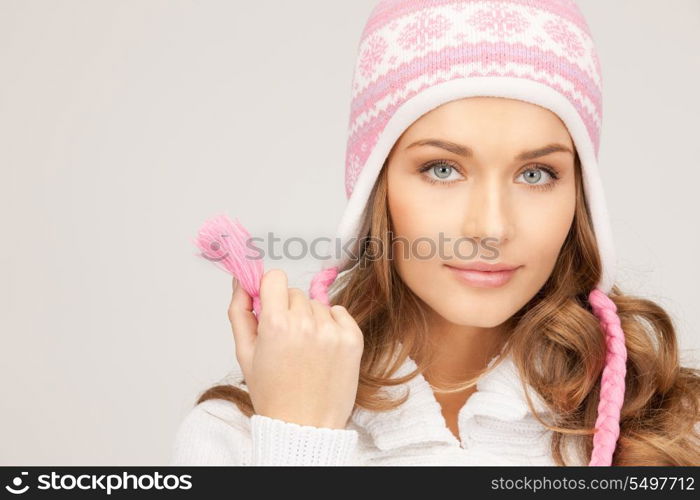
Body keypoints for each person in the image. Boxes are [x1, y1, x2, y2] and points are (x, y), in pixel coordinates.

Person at [170, 0, 700, 466]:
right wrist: (298, 441)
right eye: (442, 169)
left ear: (581, 197)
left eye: (536, 174)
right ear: (374, 189)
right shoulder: (237, 436)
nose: (490, 228)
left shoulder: (676, 430)